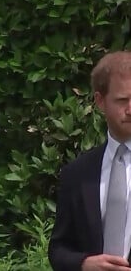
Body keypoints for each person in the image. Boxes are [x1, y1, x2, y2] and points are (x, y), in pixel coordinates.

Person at [48, 51, 131, 271]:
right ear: (100, 101)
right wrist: (83, 264)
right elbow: (58, 249)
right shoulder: (77, 174)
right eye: (123, 100)